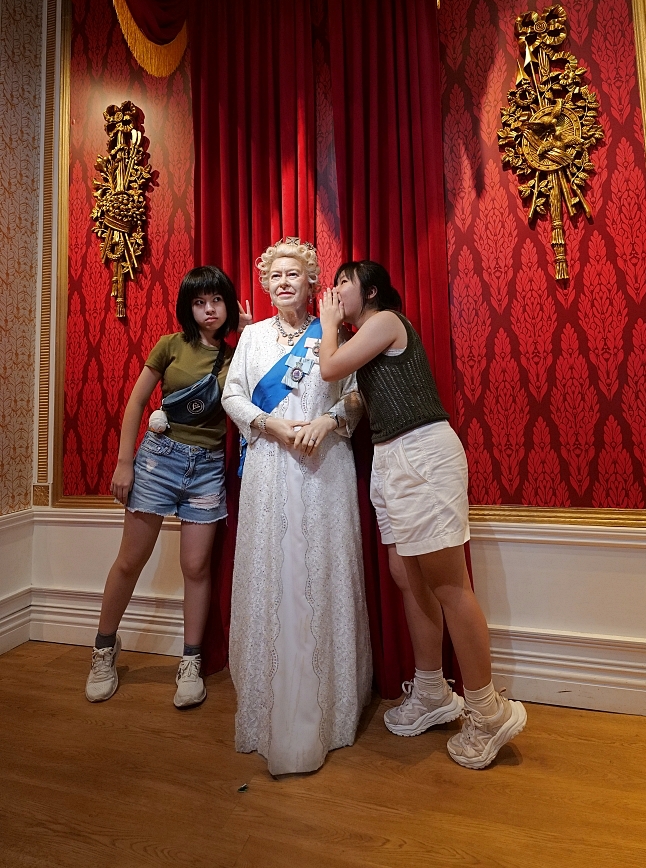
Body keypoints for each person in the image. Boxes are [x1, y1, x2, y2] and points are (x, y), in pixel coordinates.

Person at [318, 260, 527, 770]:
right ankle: (433, 691)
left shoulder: (385, 321)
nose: (334, 290)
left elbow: (328, 367)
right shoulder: (366, 339)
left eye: (343, 282)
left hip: (421, 453)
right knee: (406, 578)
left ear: (367, 290)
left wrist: (326, 326)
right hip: (391, 458)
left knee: (448, 585)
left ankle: (488, 710)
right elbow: (352, 397)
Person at [221, 238, 372, 776]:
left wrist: (329, 422)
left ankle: (326, 714)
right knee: (275, 576)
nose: (284, 282)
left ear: (313, 282)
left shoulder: (331, 334)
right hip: (269, 465)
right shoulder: (253, 338)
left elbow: (354, 394)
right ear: (264, 285)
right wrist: (271, 424)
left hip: (324, 465)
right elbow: (233, 395)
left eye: (295, 274)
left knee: (319, 573)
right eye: (275, 275)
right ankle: (272, 713)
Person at [85, 265, 249, 709]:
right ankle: (103, 650)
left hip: (208, 468)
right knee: (129, 561)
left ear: (228, 305)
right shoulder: (169, 346)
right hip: (159, 459)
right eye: (199, 302)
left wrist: (249, 331)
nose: (209, 309)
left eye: (217, 300)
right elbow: (138, 400)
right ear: (188, 308)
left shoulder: (238, 354)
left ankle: (191, 661)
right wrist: (124, 463)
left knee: (195, 567)